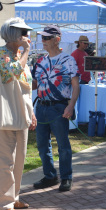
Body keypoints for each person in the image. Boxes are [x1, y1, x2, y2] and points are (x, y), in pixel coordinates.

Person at [0, 18, 37, 210]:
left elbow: (26, 85)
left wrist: (31, 112)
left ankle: (14, 196)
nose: (27, 36)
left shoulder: (19, 54)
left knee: (20, 159)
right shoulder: (2, 53)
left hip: (22, 109)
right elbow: (14, 72)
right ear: (13, 34)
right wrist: (26, 51)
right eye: (23, 32)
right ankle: (5, 203)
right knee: (5, 159)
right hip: (5, 109)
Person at [32, 25, 79, 193]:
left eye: (46, 38)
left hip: (59, 107)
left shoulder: (68, 60)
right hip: (41, 107)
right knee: (42, 145)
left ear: (57, 39)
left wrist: (71, 105)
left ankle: (66, 177)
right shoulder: (40, 61)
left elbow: (75, 85)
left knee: (63, 145)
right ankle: (50, 175)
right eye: (42, 38)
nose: (42, 41)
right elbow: (34, 84)